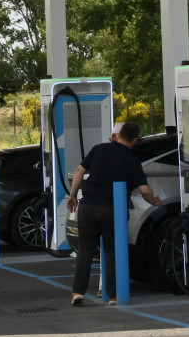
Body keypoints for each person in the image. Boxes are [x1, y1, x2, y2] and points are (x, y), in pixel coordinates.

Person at [66, 121, 162, 306]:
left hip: (89, 206)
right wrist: (156, 202)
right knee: (113, 251)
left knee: (85, 250)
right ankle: (113, 296)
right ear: (134, 140)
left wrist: (72, 196)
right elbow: (144, 190)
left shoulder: (98, 149)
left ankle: (78, 292)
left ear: (117, 135)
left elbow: (79, 171)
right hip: (113, 210)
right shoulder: (132, 160)